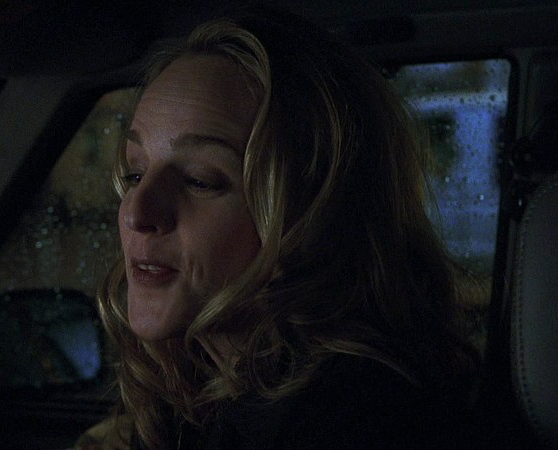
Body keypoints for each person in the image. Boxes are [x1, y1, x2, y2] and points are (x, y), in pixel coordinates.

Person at [85, 7, 480, 450]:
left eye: (199, 180)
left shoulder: (352, 420)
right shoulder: (197, 389)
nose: (136, 213)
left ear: (313, 214)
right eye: (135, 173)